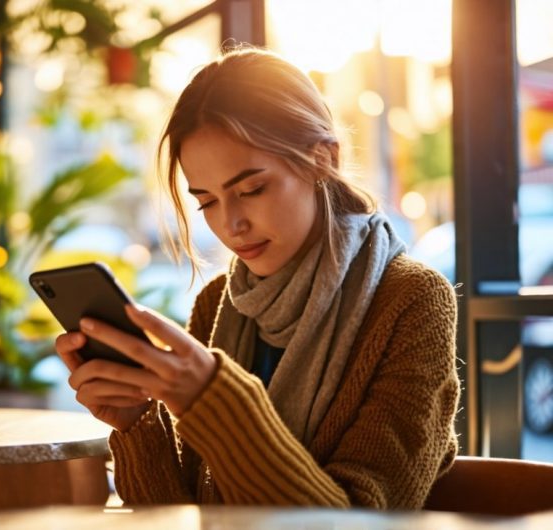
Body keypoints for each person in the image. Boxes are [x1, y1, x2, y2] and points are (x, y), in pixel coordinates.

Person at [55, 47, 459, 509]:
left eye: (251, 190)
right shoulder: (218, 303)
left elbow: (358, 520)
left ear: (323, 159)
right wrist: (137, 423)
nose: (231, 225)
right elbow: (185, 514)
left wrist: (217, 404)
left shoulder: (411, 299)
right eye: (206, 202)